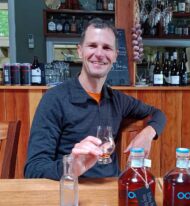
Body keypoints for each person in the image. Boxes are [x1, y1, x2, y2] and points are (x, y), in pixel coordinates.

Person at [24, 18, 166, 180]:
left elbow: (158, 114)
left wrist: (148, 134)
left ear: (114, 56)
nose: (99, 54)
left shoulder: (117, 100)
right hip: (71, 195)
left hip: (113, 192)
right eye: (92, 46)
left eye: (106, 48)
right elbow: (33, 169)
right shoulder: (54, 100)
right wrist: (72, 166)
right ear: (80, 51)